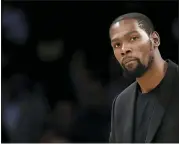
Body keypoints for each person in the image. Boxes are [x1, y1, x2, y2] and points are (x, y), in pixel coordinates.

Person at [109, 12, 179, 143]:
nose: (124, 49)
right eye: (117, 45)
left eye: (133, 38)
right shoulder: (121, 103)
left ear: (155, 40)